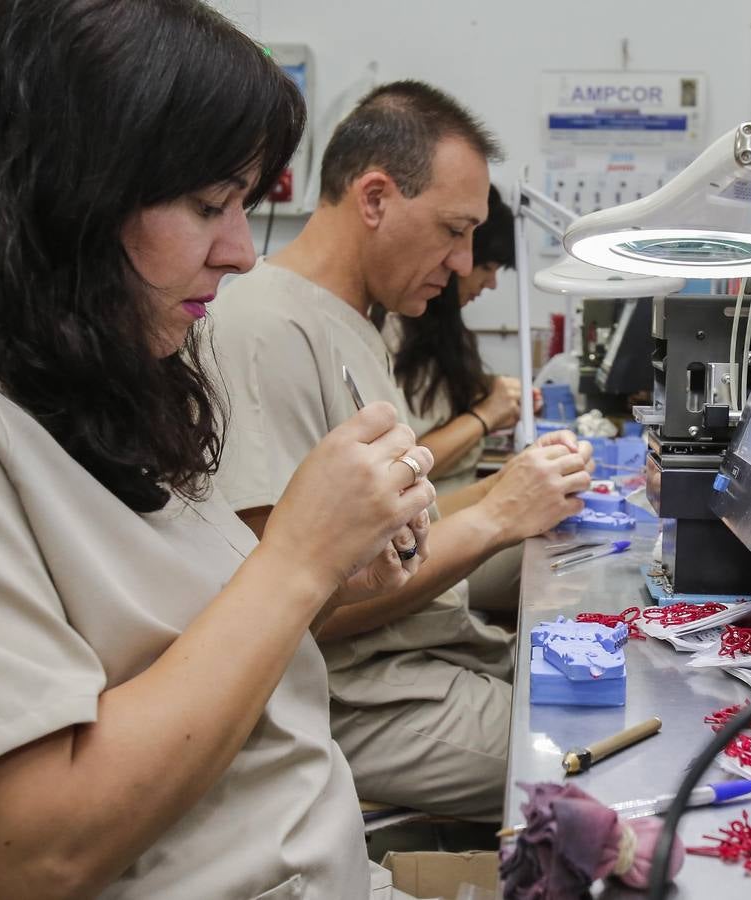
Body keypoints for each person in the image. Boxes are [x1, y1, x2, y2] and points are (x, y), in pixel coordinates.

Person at [0, 2, 435, 898]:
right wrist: (295, 560)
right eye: (208, 204)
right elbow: (37, 849)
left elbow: (164, 644)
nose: (239, 253)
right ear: (65, 189)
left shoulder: (74, 373)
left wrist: (332, 564)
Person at [210, 81, 593, 821]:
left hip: (414, 658)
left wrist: (505, 490)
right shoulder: (263, 332)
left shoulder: (360, 322)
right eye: (453, 231)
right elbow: (289, 615)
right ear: (376, 198)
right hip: (353, 696)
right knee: (594, 759)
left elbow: (389, 533)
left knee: (613, 690)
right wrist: (493, 519)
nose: (461, 263)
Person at [378, 184, 537, 610]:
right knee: (548, 570)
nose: (487, 281)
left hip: (453, 506)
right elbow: (405, 467)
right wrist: (485, 416)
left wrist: (487, 389)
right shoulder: (390, 335)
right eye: (486, 266)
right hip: (431, 524)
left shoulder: (434, 336)